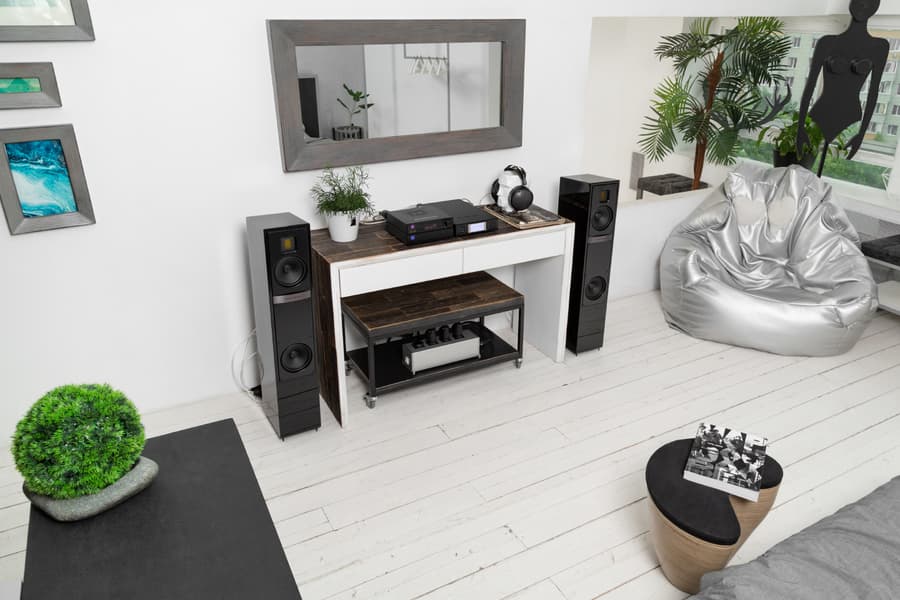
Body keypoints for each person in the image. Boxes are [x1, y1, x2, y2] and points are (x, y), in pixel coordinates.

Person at [796, 0, 889, 176]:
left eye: (870, 4)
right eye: (860, 2)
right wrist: (800, 127)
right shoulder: (828, 43)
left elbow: (873, 93)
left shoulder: (879, 47)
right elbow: (810, 85)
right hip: (823, 111)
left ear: (875, 8)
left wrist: (861, 134)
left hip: (851, 114)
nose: (863, 7)